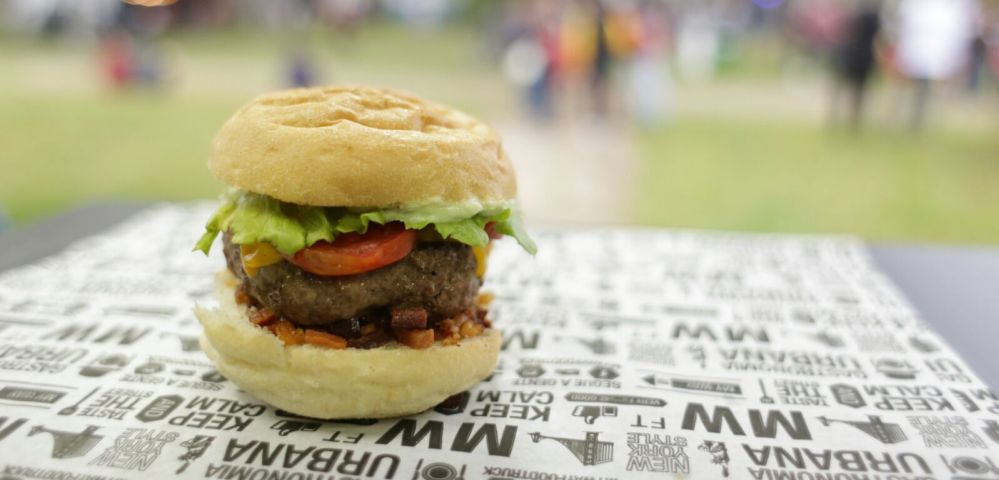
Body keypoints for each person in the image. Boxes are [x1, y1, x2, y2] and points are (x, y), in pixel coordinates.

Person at [829, 1, 881, 131]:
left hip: (851, 55)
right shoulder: (873, 16)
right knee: (857, 93)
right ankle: (851, 123)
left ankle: (839, 120)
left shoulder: (856, 13)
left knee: (843, 90)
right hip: (861, 56)